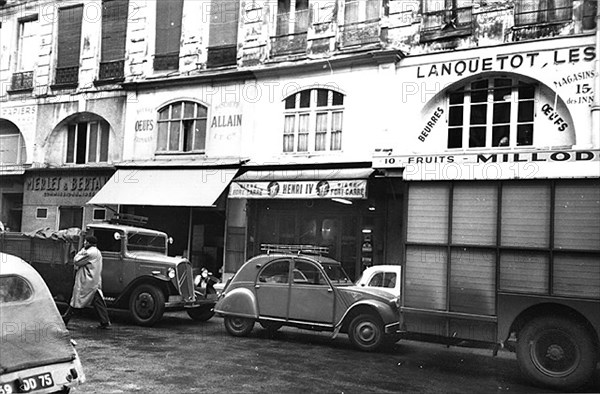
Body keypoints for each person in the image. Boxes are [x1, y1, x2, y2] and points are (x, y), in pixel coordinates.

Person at [62, 235, 111, 329]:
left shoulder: (89, 253)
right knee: (98, 301)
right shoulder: (97, 252)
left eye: (85, 241)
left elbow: (76, 261)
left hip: (86, 281)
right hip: (94, 280)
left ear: (88, 243)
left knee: (77, 300)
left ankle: (66, 319)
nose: (84, 243)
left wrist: (82, 250)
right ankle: (104, 321)